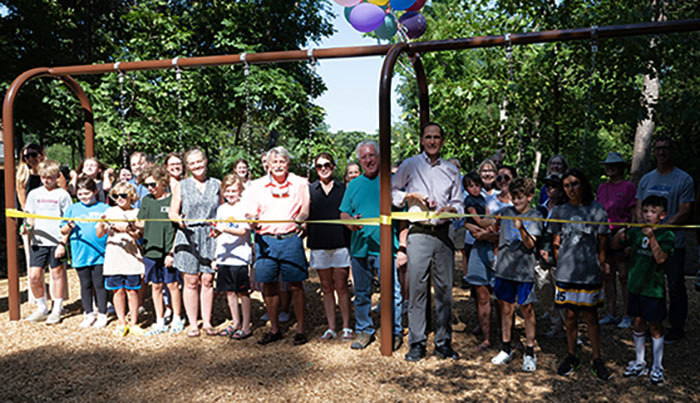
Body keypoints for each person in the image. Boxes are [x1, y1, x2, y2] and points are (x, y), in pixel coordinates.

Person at [391, 123, 463, 361]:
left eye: (436, 137)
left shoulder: (452, 170)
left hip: (444, 234)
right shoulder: (410, 164)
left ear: (442, 141)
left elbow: (460, 204)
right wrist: (410, 196)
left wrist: (451, 208)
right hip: (418, 232)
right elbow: (392, 192)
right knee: (417, 288)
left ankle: (443, 343)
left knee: (444, 291)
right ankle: (417, 343)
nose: (432, 141)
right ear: (422, 140)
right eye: (428, 137)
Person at [242, 146, 310, 346]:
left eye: (282, 162)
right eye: (275, 162)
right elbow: (249, 214)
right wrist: (252, 220)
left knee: (296, 285)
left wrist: (303, 218)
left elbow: (306, 206)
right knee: (268, 285)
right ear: (268, 165)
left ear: (287, 164)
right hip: (266, 240)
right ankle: (274, 328)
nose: (278, 166)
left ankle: (301, 329)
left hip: (290, 239)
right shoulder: (256, 186)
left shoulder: (299, 183)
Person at [340, 140, 403, 351]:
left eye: (372, 155)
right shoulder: (354, 184)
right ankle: (365, 330)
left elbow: (403, 218)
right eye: (364, 157)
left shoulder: (392, 182)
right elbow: (343, 213)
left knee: (392, 293)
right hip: (360, 247)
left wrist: (402, 247)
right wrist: (350, 222)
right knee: (362, 292)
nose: (369, 160)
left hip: (387, 248)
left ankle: (394, 332)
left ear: (380, 157)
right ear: (359, 160)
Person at [549, 168, 611, 381]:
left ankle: (597, 358)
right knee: (570, 315)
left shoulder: (597, 210)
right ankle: (572, 355)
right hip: (566, 272)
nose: (571, 189)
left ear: (583, 184)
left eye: (574, 184)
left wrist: (601, 264)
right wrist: (560, 262)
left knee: (591, 316)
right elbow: (555, 240)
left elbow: (603, 240)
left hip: (589, 272)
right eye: (566, 185)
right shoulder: (559, 211)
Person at [635, 136, 694, 344]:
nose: (661, 152)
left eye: (665, 148)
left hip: (673, 243)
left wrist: (658, 229)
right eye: (658, 149)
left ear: (672, 151)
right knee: (650, 284)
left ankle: (677, 327)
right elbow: (639, 206)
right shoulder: (647, 179)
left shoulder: (684, 179)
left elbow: (684, 211)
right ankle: (653, 324)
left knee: (676, 285)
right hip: (647, 244)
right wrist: (644, 229)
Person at [613, 195, 674, 386]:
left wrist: (652, 237)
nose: (648, 215)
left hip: (653, 290)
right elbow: (616, 245)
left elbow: (661, 259)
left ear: (662, 216)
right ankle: (640, 362)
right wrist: (621, 234)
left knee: (655, 326)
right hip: (635, 287)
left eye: (653, 212)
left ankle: (657, 366)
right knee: (637, 323)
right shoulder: (637, 232)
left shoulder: (666, 235)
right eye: (645, 211)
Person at [489, 178, 543, 372]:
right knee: (505, 308)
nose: (516, 202)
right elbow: (493, 226)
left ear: (529, 197)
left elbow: (530, 244)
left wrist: (521, 229)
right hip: (504, 269)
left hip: (524, 271)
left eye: (520, 198)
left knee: (527, 309)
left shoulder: (535, 216)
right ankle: (506, 347)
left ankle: (529, 351)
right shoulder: (505, 213)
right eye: (513, 198)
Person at [169, 147, 220, 337]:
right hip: (188, 234)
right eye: (192, 163)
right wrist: (179, 220)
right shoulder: (181, 186)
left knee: (207, 279)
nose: (197, 166)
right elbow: (172, 213)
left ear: (205, 161)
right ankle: (192, 323)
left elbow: (222, 211)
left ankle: (207, 321)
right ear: (187, 166)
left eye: (199, 161)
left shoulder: (217, 184)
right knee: (190, 280)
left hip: (210, 234)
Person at [308, 152, 353, 341]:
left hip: (340, 243)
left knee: (341, 286)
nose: (323, 168)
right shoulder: (310, 189)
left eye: (327, 164)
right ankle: (331, 327)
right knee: (326, 287)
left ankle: (346, 327)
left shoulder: (344, 188)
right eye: (319, 166)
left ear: (333, 167)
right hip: (318, 244)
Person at [22, 159, 73, 324]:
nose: (46, 180)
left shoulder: (63, 195)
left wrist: (62, 243)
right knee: (34, 276)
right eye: (43, 177)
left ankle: (57, 309)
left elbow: (69, 221)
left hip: (56, 241)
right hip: (38, 241)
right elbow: (29, 217)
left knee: (57, 274)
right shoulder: (34, 194)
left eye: (50, 177)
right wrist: (26, 227)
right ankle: (42, 307)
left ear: (57, 176)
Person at [136, 165, 183, 336]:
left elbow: (178, 230)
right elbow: (140, 223)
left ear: (162, 182)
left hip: (168, 250)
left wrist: (172, 252)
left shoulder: (172, 200)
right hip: (150, 250)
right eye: (147, 185)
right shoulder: (147, 201)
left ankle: (177, 317)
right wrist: (125, 223)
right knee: (155, 286)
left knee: (172, 284)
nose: (150, 188)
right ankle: (160, 320)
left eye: (153, 184)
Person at [97, 181, 145, 336]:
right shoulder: (109, 211)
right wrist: (102, 223)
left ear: (131, 196)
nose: (120, 198)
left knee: (132, 291)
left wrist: (128, 229)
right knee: (118, 291)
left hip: (132, 257)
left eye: (123, 195)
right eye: (116, 196)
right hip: (114, 256)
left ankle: (134, 323)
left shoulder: (137, 213)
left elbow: (139, 236)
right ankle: (121, 322)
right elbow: (99, 233)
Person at [61, 177, 109, 328]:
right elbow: (62, 229)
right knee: (85, 284)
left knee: (99, 284)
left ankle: (102, 313)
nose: (84, 197)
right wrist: (69, 226)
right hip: (80, 252)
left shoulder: (104, 208)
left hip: (100, 253)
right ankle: (88, 313)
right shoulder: (72, 209)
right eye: (80, 194)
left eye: (87, 193)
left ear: (95, 191)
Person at [596, 152, 637, 328]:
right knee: (607, 274)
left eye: (614, 164)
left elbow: (634, 213)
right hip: (604, 233)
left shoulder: (629, 187)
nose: (610, 167)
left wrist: (631, 235)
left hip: (622, 233)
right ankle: (611, 312)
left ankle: (628, 314)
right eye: (608, 165)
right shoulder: (601, 187)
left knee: (624, 275)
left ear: (621, 167)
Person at [212, 174, 253, 340]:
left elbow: (243, 231)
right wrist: (216, 256)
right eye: (227, 191)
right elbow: (218, 231)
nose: (230, 194)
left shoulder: (244, 207)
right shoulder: (221, 209)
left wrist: (224, 229)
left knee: (243, 292)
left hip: (240, 256)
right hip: (224, 257)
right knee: (229, 292)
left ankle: (246, 325)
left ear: (240, 191)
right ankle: (235, 322)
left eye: (233, 190)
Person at [535, 173, 566, 337]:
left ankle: (570, 328)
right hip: (540, 258)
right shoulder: (540, 208)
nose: (550, 189)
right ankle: (556, 324)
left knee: (561, 294)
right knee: (545, 291)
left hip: (560, 258)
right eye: (548, 186)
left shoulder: (565, 209)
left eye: (554, 186)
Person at [460, 172, 483, 289]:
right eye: (471, 186)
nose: (474, 189)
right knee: (470, 259)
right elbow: (477, 218)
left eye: (477, 185)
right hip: (471, 237)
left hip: (483, 234)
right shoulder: (469, 200)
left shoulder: (482, 198)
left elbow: (487, 214)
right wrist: (487, 224)